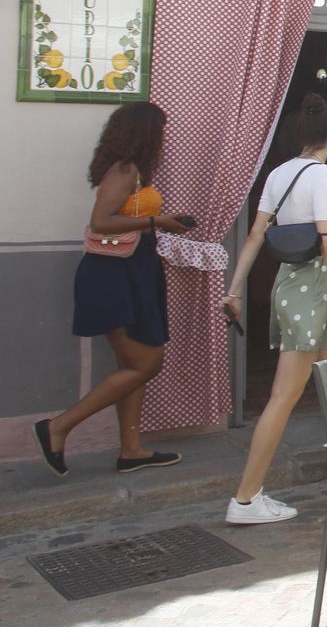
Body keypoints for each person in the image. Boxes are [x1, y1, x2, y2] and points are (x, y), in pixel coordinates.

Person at [220, 93, 327, 524]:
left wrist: (234, 289)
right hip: (313, 289)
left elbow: (255, 235)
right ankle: (245, 498)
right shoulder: (323, 177)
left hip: (289, 285)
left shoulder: (279, 174)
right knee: (283, 397)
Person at [35, 103, 195, 478]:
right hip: (115, 275)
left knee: (132, 365)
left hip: (132, 270)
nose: (164, 139)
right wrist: (158, 219)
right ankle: (57, 427)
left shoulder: (132, 170)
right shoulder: (125, 169)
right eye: (160, 131)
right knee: (146, 363)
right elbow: (100, 220)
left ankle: (132, 450)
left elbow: (124, 218)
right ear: (144, 133)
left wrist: (161, 225)